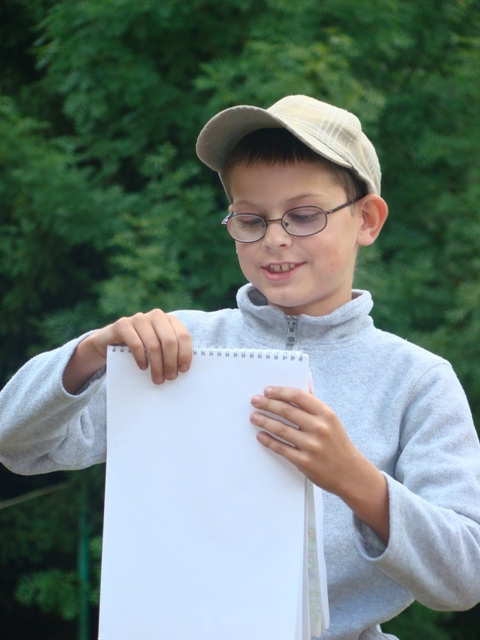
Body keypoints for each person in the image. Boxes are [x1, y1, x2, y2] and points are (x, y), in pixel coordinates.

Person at [1, 94, 480, 640]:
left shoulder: (416, 380)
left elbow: (465, 576)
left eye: (304, 215)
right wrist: (89, 353)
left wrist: (356, 480)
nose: (275, 238)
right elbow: (15, 443)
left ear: (366, 220)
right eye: (251, 219)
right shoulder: (175, 348)